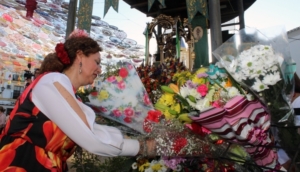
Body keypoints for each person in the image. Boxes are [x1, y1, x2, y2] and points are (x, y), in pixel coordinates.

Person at [0, 29, 155, 171]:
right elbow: (92, 138)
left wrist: (142, 142)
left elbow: (92, 130)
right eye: (97, 61)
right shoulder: (54, 80)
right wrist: (142, 147)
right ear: (80, 56)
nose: (99, 69)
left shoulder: (68, 92)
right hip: (21, 162)